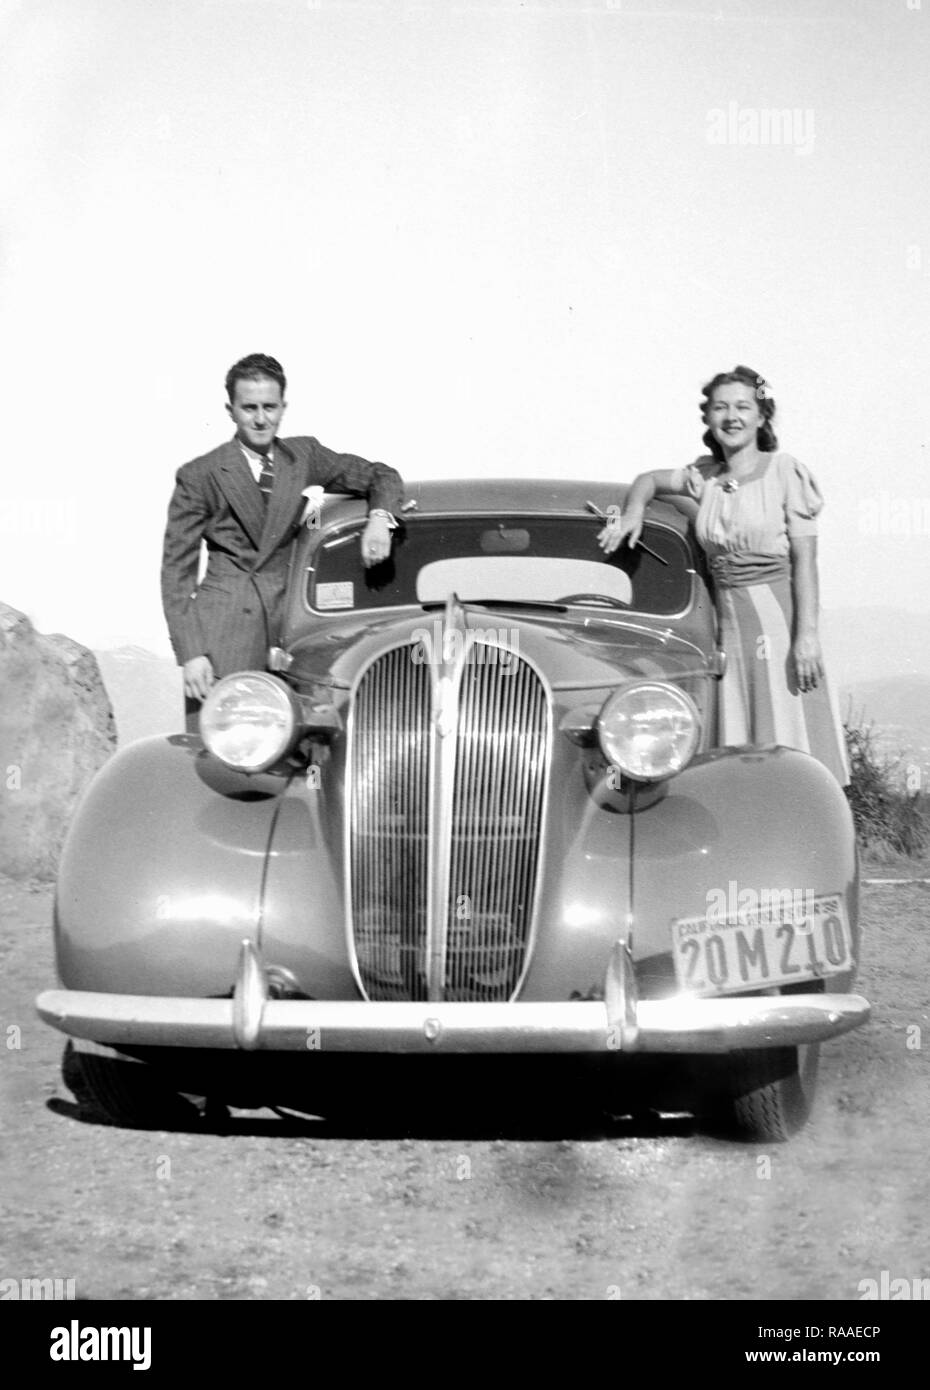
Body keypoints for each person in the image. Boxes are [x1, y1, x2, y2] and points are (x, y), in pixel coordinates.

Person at [598, 364, 848, 784]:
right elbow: (647, 480)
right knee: (741, 745)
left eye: (742, 407)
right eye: (720, 408)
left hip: (779, 623)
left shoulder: (785, 471)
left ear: (762, 416)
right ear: (709, 419)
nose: (731, 417)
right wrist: (633, 511)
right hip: (728, 624)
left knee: (786, 740)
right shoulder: (704, 477)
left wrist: (807, 637)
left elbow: (807, 561)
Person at [161, 353, 404, 728]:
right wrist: (192, 654)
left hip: (293, 630)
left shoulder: (303, 456)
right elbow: (176, 574)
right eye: (249, 408)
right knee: (227, 757)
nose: (261, 419)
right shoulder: (200, 475)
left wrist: (379, 519)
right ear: (230, 410)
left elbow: (380, 475)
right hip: (224, 638)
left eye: (270, 407)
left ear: (283, 407)